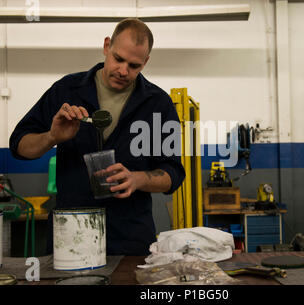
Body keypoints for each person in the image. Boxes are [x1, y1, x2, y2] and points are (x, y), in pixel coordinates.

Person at [9, 18, 185, 256]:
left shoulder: (158, 105)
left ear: (146, 62)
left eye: (134, 66)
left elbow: (173, 174)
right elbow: (19, 146)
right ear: (106, 46)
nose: (123, 71)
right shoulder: (66, 91)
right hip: (71, 236)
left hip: (129, 240)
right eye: (118, 59)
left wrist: (138, 179)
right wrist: (51, 136)